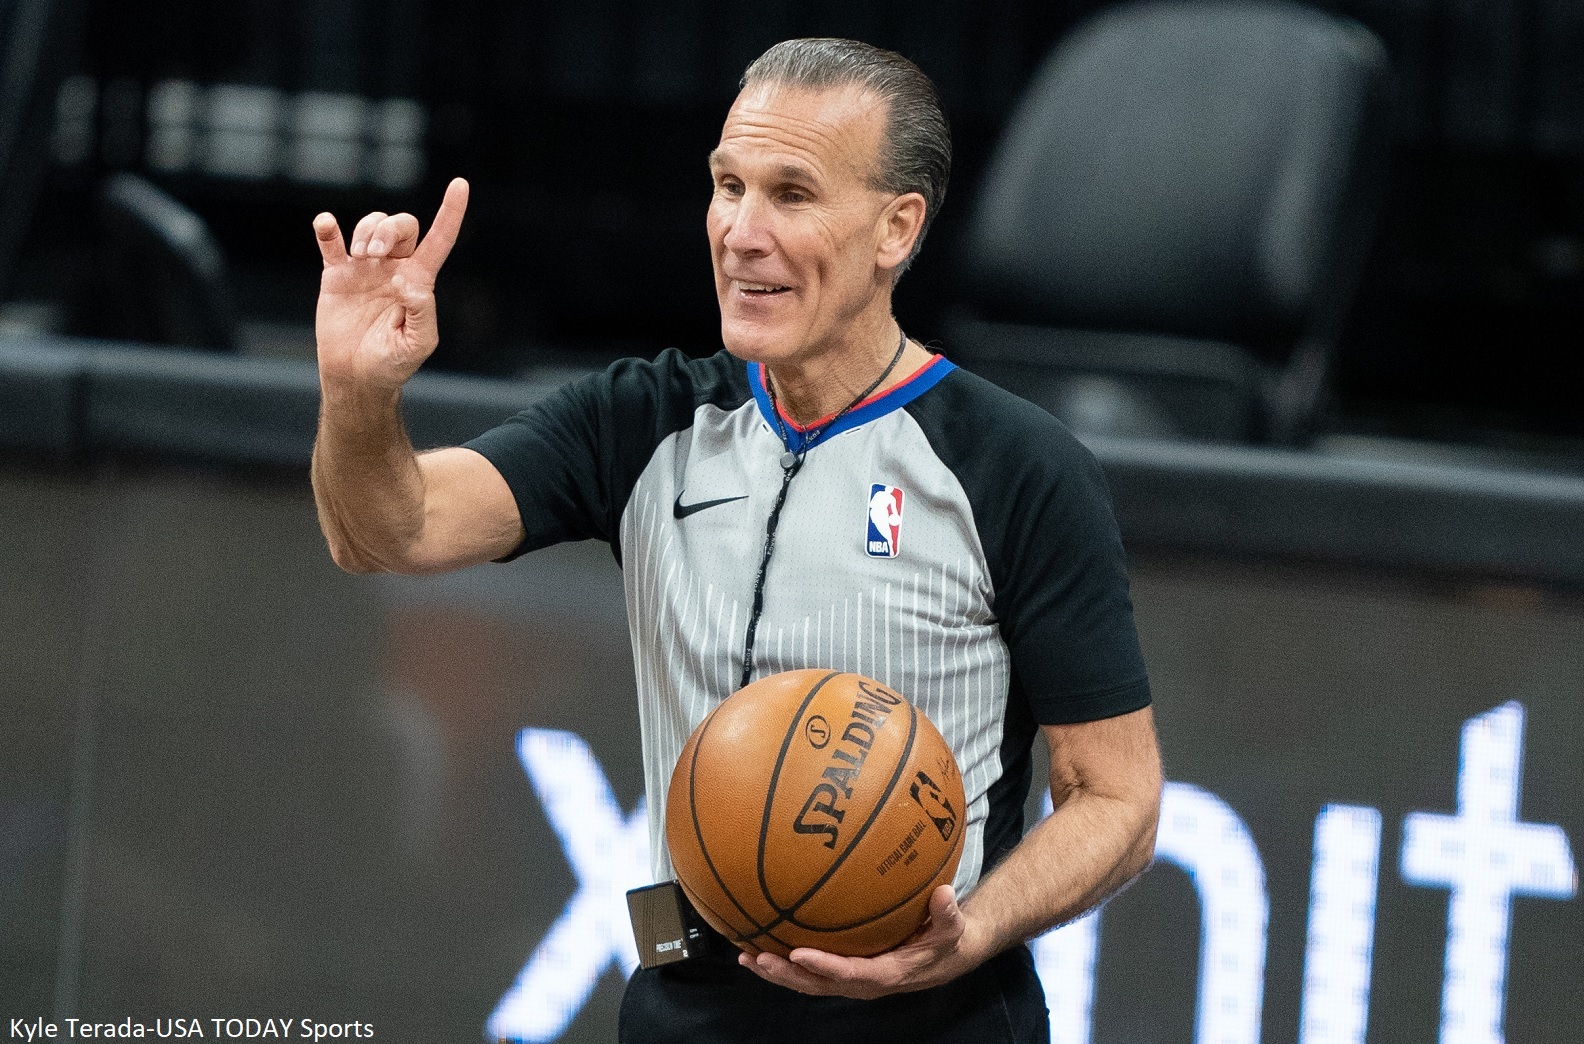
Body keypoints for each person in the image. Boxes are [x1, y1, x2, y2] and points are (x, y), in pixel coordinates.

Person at [311, 37, 1161, 1044]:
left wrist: (969, 934)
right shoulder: (643, 420)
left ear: (897, 229)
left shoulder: (1017, 467)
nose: (741, 233)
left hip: (935, 1022)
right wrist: (358, 394)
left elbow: (1118, 799)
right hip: (684, 1005)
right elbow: (386, 530)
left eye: (792, 195)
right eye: (727, 186)